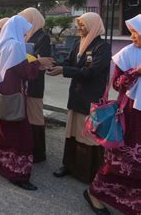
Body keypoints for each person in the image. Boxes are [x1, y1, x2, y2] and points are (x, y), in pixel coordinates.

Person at [0, 15, 53, 190]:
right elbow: (25, 72)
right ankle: (18, 174)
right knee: (21, 135)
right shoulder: (16, 46)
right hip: (14, 95)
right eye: (24, 32)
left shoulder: (2, 43)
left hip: (0, 92)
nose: (25, 35)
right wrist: (38, 63)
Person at [85, 14, 141, 215]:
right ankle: (95, 193)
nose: (133, 36)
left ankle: (132, 201)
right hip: (129, 114)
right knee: (121, 161)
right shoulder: (126, 54)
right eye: (132, 32)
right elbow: (117, 84)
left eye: (137, 33)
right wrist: (136, 72)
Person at [48, 12, 110, 183]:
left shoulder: (102, 47)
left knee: (88, 134)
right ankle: (69, 165)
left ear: (93, 25)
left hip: (90, 97)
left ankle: (87, 170)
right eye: (79, 24)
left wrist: (64, 70)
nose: (79, 28)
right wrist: (57, 65)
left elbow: (91, 72)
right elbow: (69, 62)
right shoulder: (78, 43)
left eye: (83, 25)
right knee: (72, 131)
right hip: (76, 95)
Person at [18, 7, 51, 163]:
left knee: (35, 115)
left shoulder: (42, 37)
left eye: (26, 20)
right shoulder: (26, 35)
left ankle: (38, 152)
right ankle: (27, 146)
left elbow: (43, 60)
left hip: (35, 81)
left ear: (33, 20)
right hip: (25, 79)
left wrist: (26, 58)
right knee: (26, 114)